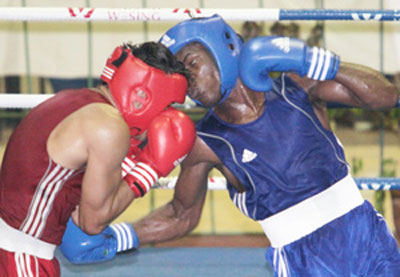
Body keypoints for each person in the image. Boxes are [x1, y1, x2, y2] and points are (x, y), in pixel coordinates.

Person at [61, 15, 400, 275]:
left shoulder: (295, 85)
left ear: (226, 47)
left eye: (192, 63)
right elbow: (181, 215)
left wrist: (317, 60)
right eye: (182, 75)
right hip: (302, 258)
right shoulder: (204, 142)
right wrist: (120, 237)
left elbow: (387, 96)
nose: (189, 80)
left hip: (365, 231)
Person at [0, 42, 196, 276]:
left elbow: (75, 211)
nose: (164, 117)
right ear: (141, 97)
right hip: (20, 256)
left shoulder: (74, 101)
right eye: (167, 106)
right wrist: (149, 169)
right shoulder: (109, 128)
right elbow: (92, 223)